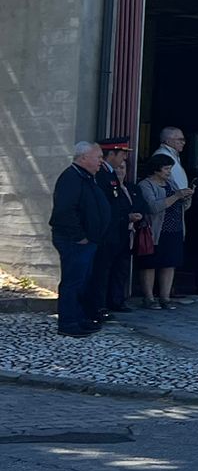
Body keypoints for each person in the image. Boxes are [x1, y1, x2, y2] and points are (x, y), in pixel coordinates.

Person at [50, 141, 113, 336]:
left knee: (82, 282)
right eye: (98, 157)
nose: (101, 162)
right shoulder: (71, 178)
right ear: (84, 157)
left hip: (88, 241)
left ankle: (79, 318)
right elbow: (65, 211)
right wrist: (80, 237)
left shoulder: (86, 177)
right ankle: (68, 323)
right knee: (73, 282)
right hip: (74, 241)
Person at [134, 151, 192, 311]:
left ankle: (165, 297)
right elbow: (152, 207)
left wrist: (186, 198)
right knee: (150, 264)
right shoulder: (146, 185)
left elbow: (182, 205)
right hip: (156, 230)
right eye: (166, 169)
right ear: (156, 169)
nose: (169, 172)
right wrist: (176, 196)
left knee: (169, 263)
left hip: (174, 228)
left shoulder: (171, 183)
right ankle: (149, 298)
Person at [92, 142, 142, 321]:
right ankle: (98, 307)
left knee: (115, 269)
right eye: (122, 154)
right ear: (111, 154)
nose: (125, 159)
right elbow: (107, 205)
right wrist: (124, 217)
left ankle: (111, 302)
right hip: (107, 232)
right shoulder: (102, 175)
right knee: (102, 272)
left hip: (118, 231)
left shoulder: (110, 174)